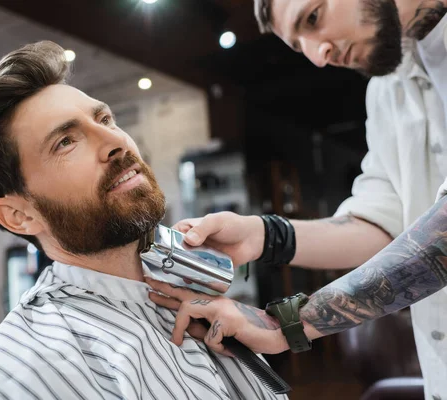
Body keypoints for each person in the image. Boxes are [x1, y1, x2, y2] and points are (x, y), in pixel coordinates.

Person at [0, 40, 286, 400]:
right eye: (65, 142)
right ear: (19, 215)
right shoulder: (9, 379)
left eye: (104, 119)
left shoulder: (193, 287)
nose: (116, 141)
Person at [147, 1, 447, 399]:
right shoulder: (389, 87)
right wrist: (264, 235)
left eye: (313, 18)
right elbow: (385, 224)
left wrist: (288, 324)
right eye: (299, 44)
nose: (318, 56)